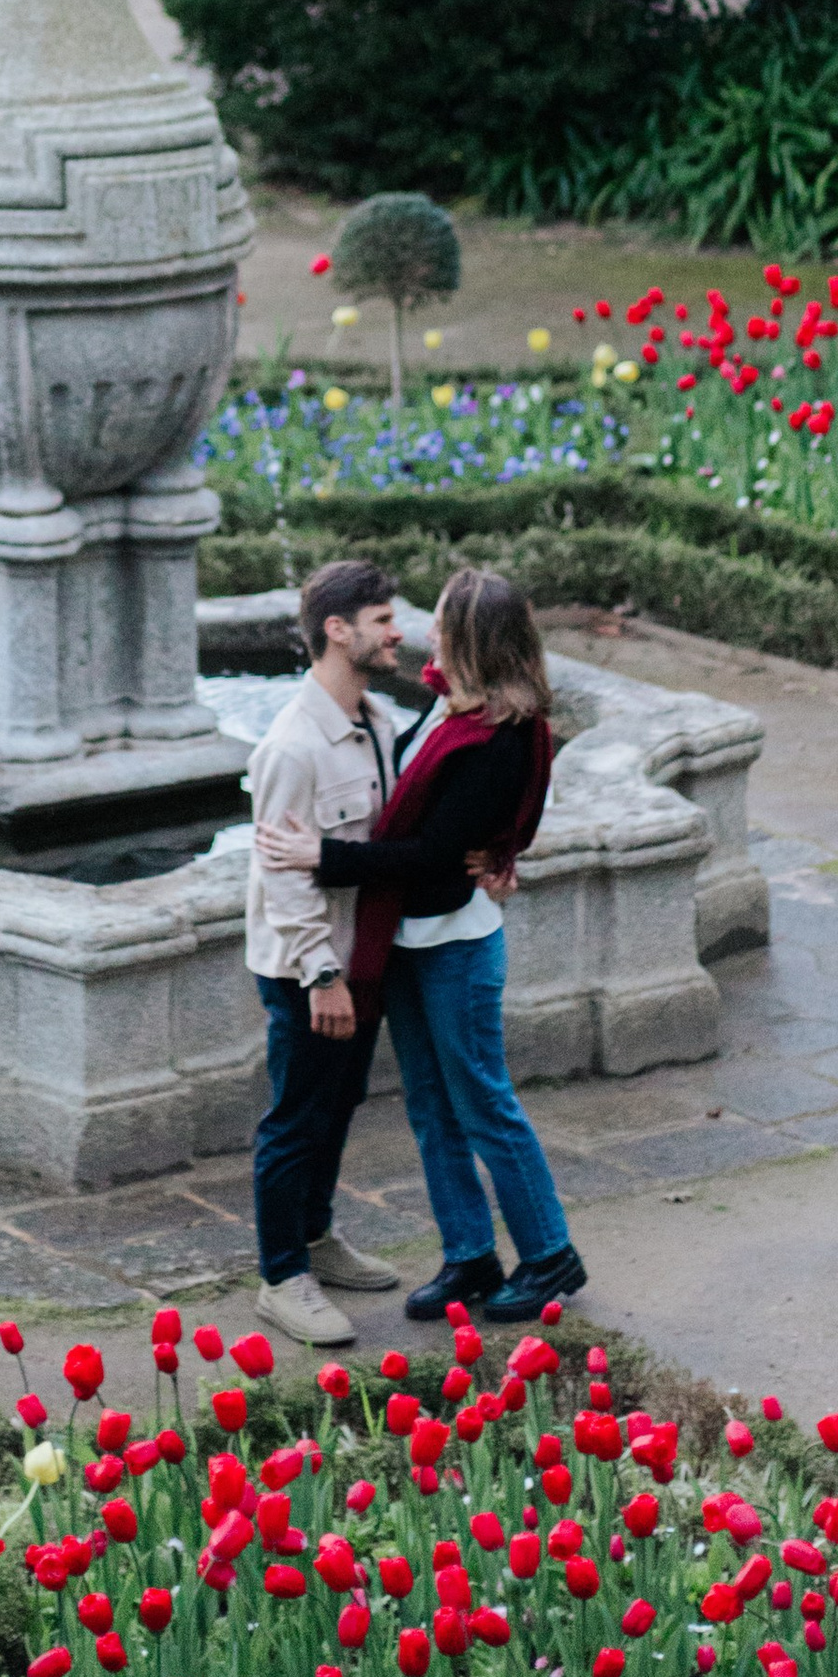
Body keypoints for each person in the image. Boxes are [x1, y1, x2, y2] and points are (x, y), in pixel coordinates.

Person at [255, 561, 584, 1326]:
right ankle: (469, 1255)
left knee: (483, 1105)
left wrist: (323, 855)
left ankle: (549, 1256)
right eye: (396, 618)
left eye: (437, 620)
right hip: (405, 941)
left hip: (453, 945)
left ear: (469, 636)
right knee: (432, 1109)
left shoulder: (497, 734)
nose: (419, 630)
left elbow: (435, 854)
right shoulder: (440, 705)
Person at [241, 558, 407, 1347]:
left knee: (338, 1108)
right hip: (309, 971)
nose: (396, 633)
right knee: (296, 1119)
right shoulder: (292, 747)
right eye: (382, 620)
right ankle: (282, 1278)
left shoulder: (380, 723)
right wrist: (322, 974)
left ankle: (315, 1237)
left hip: (360, 960)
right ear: (338, 631)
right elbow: (282, 877)